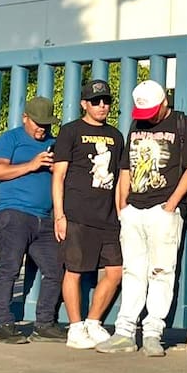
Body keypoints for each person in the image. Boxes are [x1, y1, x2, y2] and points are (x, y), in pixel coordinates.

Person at [96, 79, 187, 357]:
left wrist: (172, 204)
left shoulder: (183, 125)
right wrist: (122, 205)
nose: (148, 118)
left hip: (163, 209)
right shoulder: (137, 124)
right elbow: (125, 167)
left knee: (161, 271)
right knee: (132, 270)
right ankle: (124, 331)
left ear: (164, 102)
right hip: (134, 209)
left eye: (152, 112)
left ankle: (153, 333)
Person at [51, 79, 124, 350]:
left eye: (106, 101)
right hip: (77, 214)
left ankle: (93, 321)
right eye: (96, 101)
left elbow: (120, 178)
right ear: (84, 104)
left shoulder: (116, 136)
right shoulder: (70, 131)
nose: (102, 106)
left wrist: (120, 212)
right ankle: (75, 327)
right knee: (75, 270)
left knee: (116, 271)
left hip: (108, 217)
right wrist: (60, 215)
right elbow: (58, 176)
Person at [0, 96, 66, 344]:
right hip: (14, 214)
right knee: (10, 268)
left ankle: (44, 323)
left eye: (47, 124)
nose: (42, 129)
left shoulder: (54, 143)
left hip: (44, 218)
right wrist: (31, 165)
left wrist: (57, 169)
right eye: (37, 123)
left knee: (55, 270)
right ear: (25, 118)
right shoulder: (10, 139)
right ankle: (5, 325)